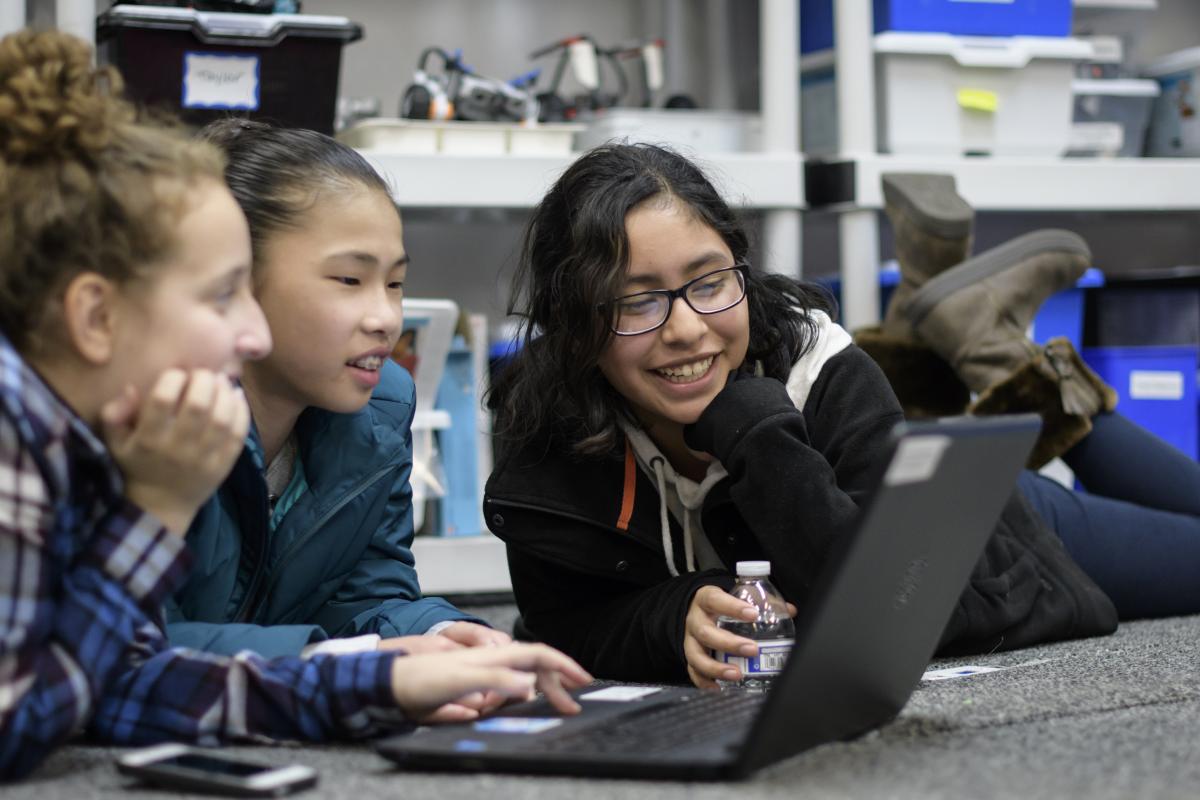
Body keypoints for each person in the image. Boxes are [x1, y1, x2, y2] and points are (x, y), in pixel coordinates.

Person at [0, 29, 589, 781]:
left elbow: (122, 672)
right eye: (223, 295)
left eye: (396, 282)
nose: (249, 332)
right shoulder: (31, 421)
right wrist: (154, 510)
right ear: (94, 316)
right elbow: (39, 710)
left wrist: (399, 668)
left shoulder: (66, 428)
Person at [484, 142, 1200, 688]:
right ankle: (952, 338)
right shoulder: (548, 419)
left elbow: (882, 606)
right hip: (899, 469)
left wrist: (756, 430)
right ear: (573, 321)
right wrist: (670, 619)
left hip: (990, 532)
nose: (686, 328)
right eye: (636, 301)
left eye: (709, 282)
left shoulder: (813, 363)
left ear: (741, 270)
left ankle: (995, 351)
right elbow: (559, 625)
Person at [165, 119, 506, 660]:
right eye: (350, 280)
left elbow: (365, 597)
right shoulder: (150, 416)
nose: (385, 318)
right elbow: (126, 640)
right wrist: (334, 666)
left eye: (395, 283)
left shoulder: (382, 406)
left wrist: (438, 637)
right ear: (232, 280)